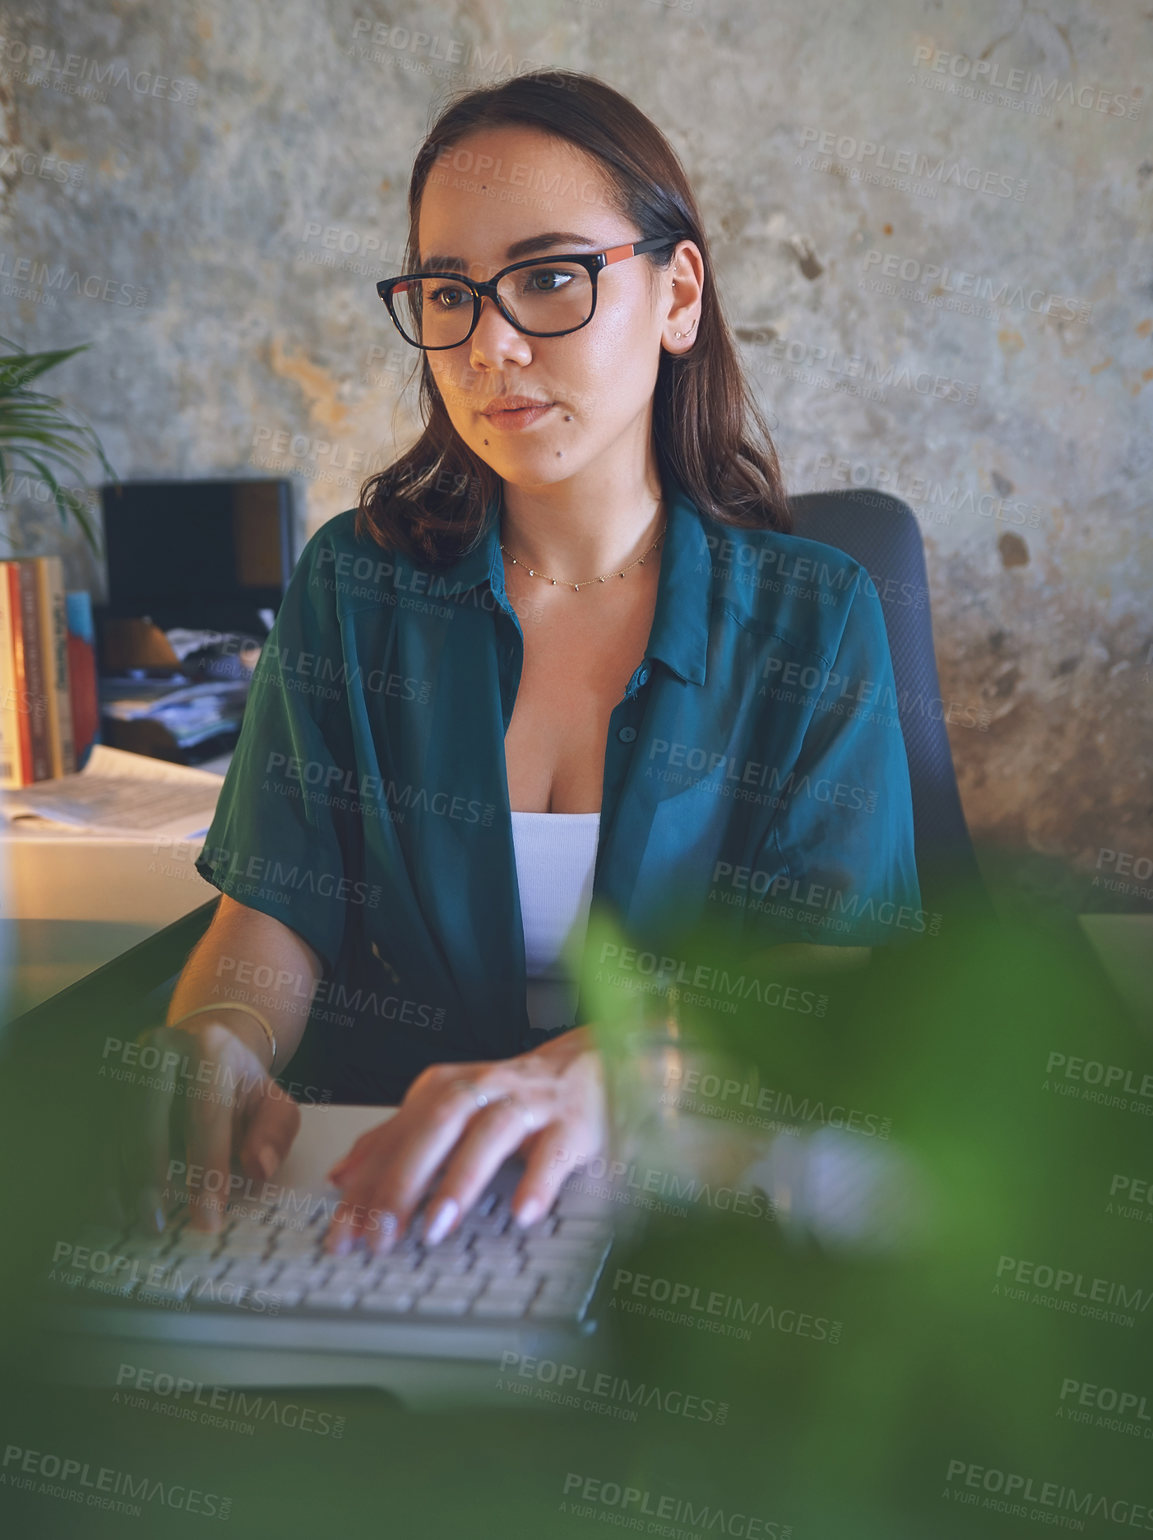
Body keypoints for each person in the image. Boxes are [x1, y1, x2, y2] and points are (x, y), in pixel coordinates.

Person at [151, 69, 920, 1256]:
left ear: (677, 294)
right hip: (383, 1203)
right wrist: (222, 1036)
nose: (491, 343)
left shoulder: (815, 620)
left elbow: (818, 979)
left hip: (695, 1217)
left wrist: (614, 1066)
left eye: (551, 277)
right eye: (447, 292)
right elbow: (274, 914)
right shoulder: (354, 590)